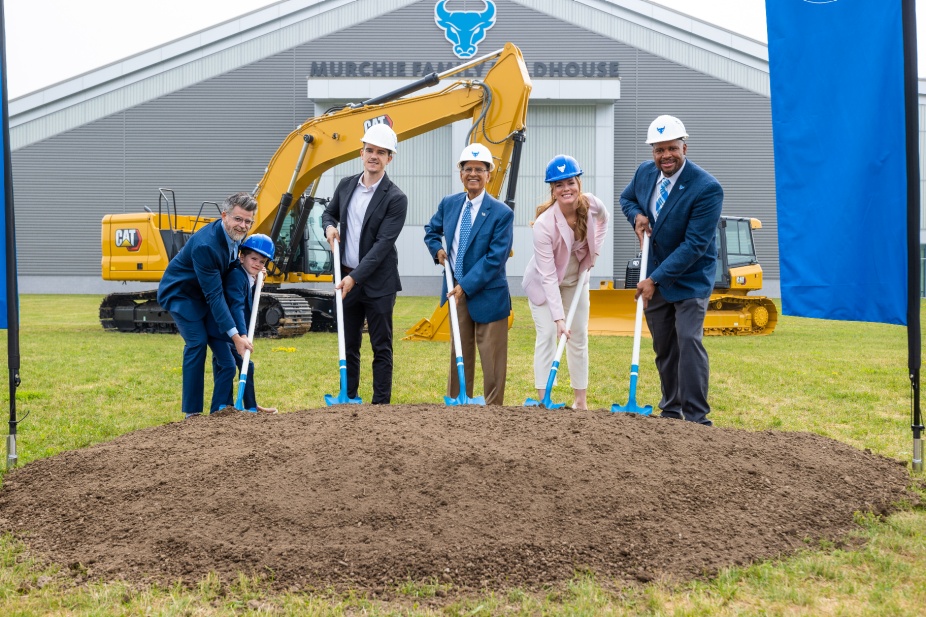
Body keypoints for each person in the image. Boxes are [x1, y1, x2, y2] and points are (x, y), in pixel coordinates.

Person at [620, 115, 723, 425]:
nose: (665, 156)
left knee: (688, 340)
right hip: (654, 273)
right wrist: (637, 215)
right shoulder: (644, 173)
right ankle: (671, 409)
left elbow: (694, 245)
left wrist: (654, 279)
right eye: (658, 150)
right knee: (664, 344)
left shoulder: (706, 188)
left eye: (671, 149)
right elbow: (626, 199)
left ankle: (696, 416)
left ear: (684, 148)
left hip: (690, 277)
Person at [322, 124, 408, 404]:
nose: (374, 156)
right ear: (361, 153)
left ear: (389, 158)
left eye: (381, 152)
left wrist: (354, 278)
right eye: (370, 150)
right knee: (348, 344)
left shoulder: (396, 198)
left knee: (381, 345)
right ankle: (349, 396)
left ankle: (380, 405)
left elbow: (382, 246)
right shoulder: (346, 185)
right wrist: (329, 228)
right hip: (347, 278)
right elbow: (329, 213)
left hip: (378, 283)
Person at [424, 143, 514, 405]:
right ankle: (458, 405)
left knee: (492, 358)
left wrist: (465, 285)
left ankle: (492, 409)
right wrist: (437, 250)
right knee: (459, 354)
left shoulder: (501, 213)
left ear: (489, 174)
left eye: (479, 169)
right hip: (457, 293)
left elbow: (495, 258)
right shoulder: (449, 204)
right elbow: (431, 230)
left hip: (487, 294)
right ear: (460, 173)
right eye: (468, 169)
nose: (473, 174)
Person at [157, 192, 257, 419]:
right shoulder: (207, 245)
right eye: (238, 219)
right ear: (224, 216)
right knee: (198, 342)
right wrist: (235, 336)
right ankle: (191, 413)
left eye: (248, 221)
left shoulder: (235, 237)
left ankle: (221, 407)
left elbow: (229, 275)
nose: (243, 226)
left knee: (222, 347)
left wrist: (254, 271)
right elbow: (215, 296)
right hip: (183, 295)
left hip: (205, 292)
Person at [522, 155, 609, 411]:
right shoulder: (543, 225)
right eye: (559, 185)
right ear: (552, 189)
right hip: (543, 285)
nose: (566, 189)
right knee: (548, 334)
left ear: (578, 183)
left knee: (578, 336)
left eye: (570, 182)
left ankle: (580, 402)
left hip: (576, 281)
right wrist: (559, 319)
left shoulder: (592, 204)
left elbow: (604, 221)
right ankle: (543, 399)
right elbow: (548, 276)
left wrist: (595, 253)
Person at [210, 233, 278, 414]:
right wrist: (241, 335)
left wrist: (257, 284)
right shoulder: (236, 276)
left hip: (231, 333)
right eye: (254, 259)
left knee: (246, 365)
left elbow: (247, 295)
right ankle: (220, 408)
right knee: (227, 366)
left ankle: (249, 405)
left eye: (262, 262)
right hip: (222, 331)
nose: (257, 264)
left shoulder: (246, 276)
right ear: (242, 257)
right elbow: (236, 307)